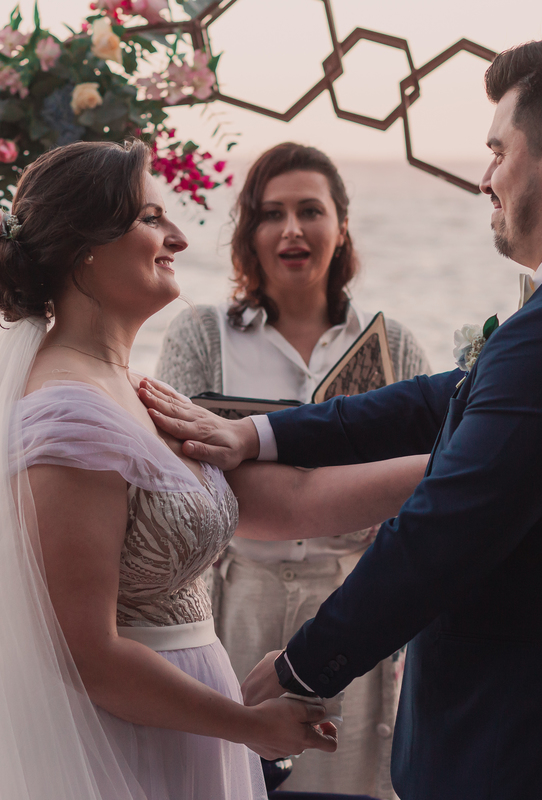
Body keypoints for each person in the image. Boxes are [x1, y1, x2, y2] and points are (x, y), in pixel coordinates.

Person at [140, 33, 542, 800]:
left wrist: (305, 666)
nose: (485, 178)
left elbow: (443, 532)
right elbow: (443, 397)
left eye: (497, 152)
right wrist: (258, 434)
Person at [0, 140, 431, 800]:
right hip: (125, 750)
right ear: (85, 247)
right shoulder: (67, 416)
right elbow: (86, 654)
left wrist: (459, 466)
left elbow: (290, 501)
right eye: (151, 218)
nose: (178, 236)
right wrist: (246, 725)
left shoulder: (143, 394)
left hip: (187, 732)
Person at [156, 141, 431, 798]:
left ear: (341, 226)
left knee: (348, 784)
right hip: (236, 596)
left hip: (350, 606)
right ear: (248, 231)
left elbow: (429, 486)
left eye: (311, 210)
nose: (292, 229)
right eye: (271, 213)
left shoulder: (392, 345)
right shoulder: (202, 334)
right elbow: (176, 479)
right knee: (230, 781)